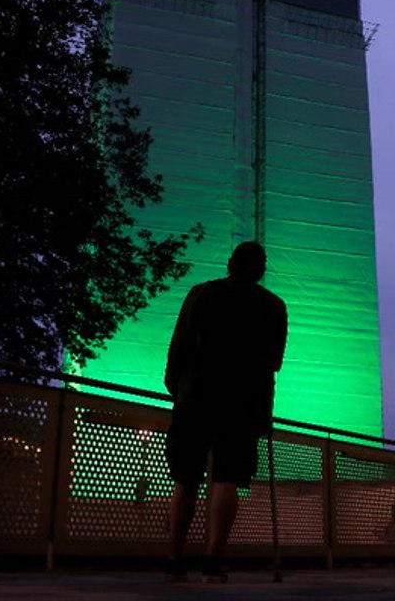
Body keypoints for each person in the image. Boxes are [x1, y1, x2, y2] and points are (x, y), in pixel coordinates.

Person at [163, 241, 287, 583]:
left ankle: (175, 557)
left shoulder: (201, 294)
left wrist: (177, 385)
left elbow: (179, 343)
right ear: (261, 269)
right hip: (242, 403)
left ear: (230, 263)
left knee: (186, 479)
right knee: (227, 478)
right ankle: (214, 558)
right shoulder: (273, 306)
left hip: (196, 396)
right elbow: (272, 363)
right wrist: (264, 410)